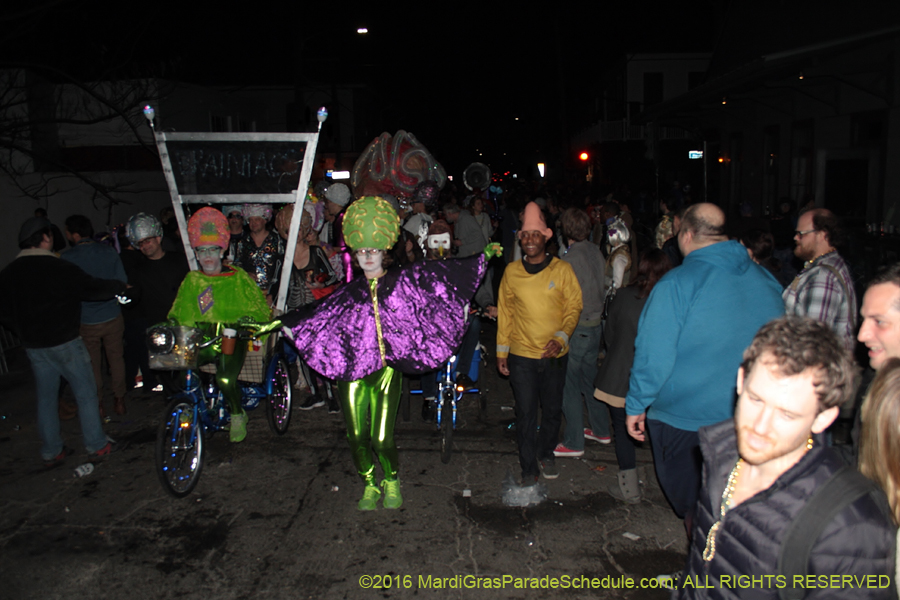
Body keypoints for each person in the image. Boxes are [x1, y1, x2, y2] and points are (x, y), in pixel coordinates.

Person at [268, 196, 495, 511]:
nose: (367, 258)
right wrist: (280, 322)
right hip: (351, 374)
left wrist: (480, 257)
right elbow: (314, 314)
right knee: (356, 438)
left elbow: (440, 277)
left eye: (373, 251)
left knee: (382, 439)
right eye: (362, 252)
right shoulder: (347, 292)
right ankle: (369, 482)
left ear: (385, 251)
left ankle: (391, 478)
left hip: (386, 372)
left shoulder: (402, 283)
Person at [677, 317, 895, 600]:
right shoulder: (722, 452)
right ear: (742, 381)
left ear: (823, 418)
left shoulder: (851, 526)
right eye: (756, 399)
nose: (759, 427)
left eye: (787, 414)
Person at [625, 203, 784, 519]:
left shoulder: (676, 285)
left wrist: (636, 404)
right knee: (733, 508)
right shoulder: (767, 282)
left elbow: (653, 356)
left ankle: (701, 567)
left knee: (697, 512)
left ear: (686, 234)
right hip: (750, 420)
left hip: (686, 422)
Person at [0, 216, 124, 465]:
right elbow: (91, 288)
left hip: (35, 346)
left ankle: (52, 450)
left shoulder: (8, 274)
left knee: (46, 398)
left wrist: (21, 331)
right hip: (66, 341)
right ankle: (96, 444)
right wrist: (122, 286)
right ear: (45, 238)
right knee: (86, 393)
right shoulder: (58, 267)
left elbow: (3, 313)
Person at [167, 207, 271, 443]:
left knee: (225, 378)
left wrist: (246, 323)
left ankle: (237, 414)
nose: (207, 256)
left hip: (230, 336)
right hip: (201, 337)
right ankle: (191, 403)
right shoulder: (193, 280)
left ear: (222, 250)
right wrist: (172, 326)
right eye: (202, 251)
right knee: (182, 364)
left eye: (212, 250)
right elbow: (180, 310)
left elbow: (258, 309)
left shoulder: (238, 277)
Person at [497, 201, 583, 484]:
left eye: (535, 234)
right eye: (525, 235)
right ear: (520, 239)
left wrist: (561, 337)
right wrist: (502, 350)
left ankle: (546, 452)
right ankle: (528, 467)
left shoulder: (562, 271)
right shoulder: (511, 272)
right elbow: (506, 313)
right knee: (525, 413)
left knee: (552, 410)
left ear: (545, 237)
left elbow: (574, 307)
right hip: (522, 355)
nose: (530, 240)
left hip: (554, 356)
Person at [595, 249, 672, 504]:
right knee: (661, 431)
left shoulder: (624, 296)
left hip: (621, 374)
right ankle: (670, 485)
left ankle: (630, 488)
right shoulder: (671, 299)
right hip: (660, 376)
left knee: (622, 429)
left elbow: (610, 334)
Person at [273, 204, 340, 413]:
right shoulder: (282, 256)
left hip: (316, 309)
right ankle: (315, 394)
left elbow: (332, 276)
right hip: (294, 311)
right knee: (303, 355)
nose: (295, 233)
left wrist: (320, 283)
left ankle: (331, 396)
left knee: (321, 352)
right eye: (289, 229)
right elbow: (276, 283)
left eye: (299, 228)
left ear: (305, 229)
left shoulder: (315, 251)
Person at [553, 208, 610, 457]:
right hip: (596, 325)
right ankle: (601, 430)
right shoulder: (595, 250)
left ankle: (574, 441)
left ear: (565, 231)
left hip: (578, 327)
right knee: (590, 381)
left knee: (569, 384)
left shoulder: (569, 260)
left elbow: (559, 297)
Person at [61, 214, 129, 418]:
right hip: (112, 315)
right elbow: (122, 281)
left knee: (92, 364)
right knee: (116, 358)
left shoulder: (68, 259)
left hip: (87, 319)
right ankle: (119, 400)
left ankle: (98, 403)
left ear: (74, 234)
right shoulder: (108, 251)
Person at [122, 213, 190, 394]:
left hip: (184, 324)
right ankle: (174, 412)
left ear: (158, 238)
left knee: (188, 375)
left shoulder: (181, 260)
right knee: (168, 377)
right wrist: (126, 298)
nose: (145, 246)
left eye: (148, 240)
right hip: (159, 329)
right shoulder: (138, 271)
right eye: (141, 243)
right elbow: (133, 297)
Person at [783, 208, 857, 352]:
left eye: (801, 234)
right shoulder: (830, 264)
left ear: (822, 235)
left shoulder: (822, 277)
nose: (795, 238)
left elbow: (811, 344)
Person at [233, 204, 285, 304]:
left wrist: (274, 294)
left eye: (257, 219)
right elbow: (237, 265)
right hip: (248, 293)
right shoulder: (242, 242)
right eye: (250, 220)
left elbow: (283, 268)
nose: (253, 223)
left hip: (272, 294)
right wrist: (245, 274)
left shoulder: (277, 240)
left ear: (265, 220)